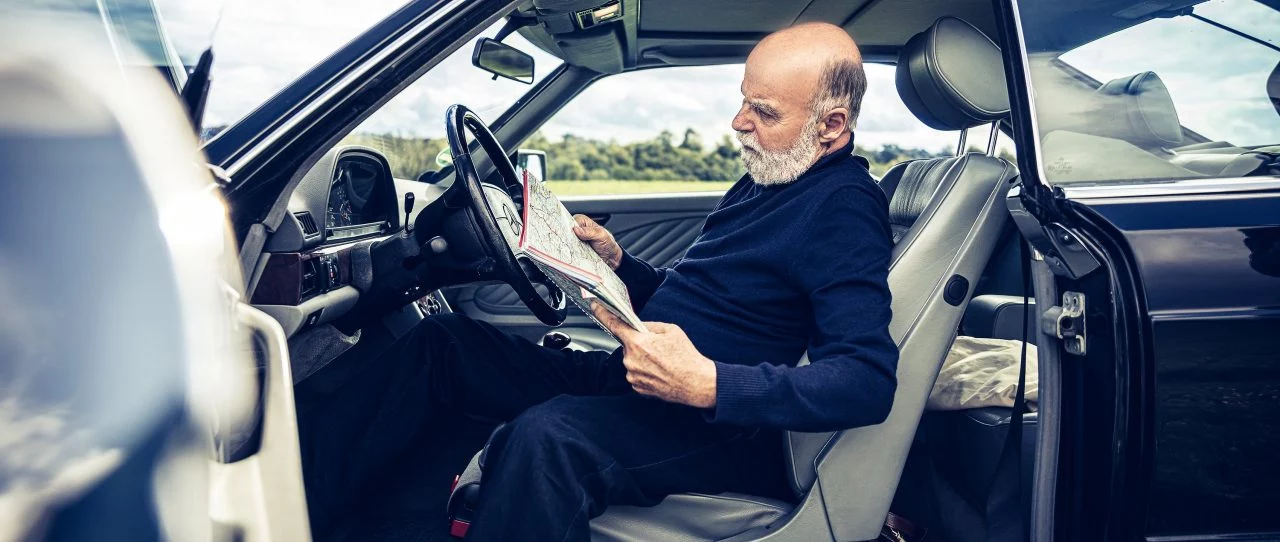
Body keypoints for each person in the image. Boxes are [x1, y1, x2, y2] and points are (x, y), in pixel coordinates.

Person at [293, 22, 897, 541]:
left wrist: (708, 383)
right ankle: (295, 513)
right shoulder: (769, 176)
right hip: (638, 382)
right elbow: (714, 304)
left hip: (719, 429)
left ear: (831, 126)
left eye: (763, 112)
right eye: (743, 100)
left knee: (549, 438)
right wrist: (618, 266)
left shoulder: (844, 209)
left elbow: (867, 381)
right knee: (443, 344)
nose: (739, 122)